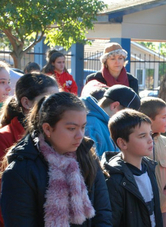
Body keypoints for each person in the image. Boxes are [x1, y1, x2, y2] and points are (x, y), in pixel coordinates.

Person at [0, 92, 112, 226]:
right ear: (47, 129)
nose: (80, 135)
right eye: (71, 128)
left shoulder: (87, 156)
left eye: (83, 127)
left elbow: (103, 213)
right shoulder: (21, 170)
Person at [102, 109, 163, 227]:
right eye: (142, 136)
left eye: (150, 134)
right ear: (123, 143)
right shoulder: (114, 178)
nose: (150, 140)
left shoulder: (149, 167)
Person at [0, 73, 59, 160]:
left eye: (58, 99)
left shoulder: (59, 131)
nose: (57, 106)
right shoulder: (4, 138)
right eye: (48, 101)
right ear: (26, 103)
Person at [81, 84, 141, 158]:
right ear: (114, 106)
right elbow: (89, 165)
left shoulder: (107, 124)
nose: (128, 122)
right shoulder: (92, 126)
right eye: (127, 115)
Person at [139, 97, 166, 227]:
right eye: (163, 117)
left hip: (163, 209)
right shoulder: (136, 143)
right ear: (148, 119)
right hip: (141, 209)